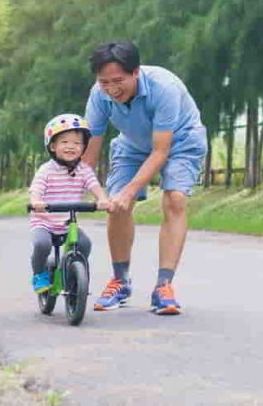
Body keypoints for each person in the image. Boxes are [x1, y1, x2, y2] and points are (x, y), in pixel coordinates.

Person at [81, 41, 207, 315]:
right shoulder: (98, 96)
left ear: (135, 72)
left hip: (180, 142)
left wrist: (130, 191)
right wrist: (85, 191)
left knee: (175, 199)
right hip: (132, 143)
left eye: (118, 81)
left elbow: (161, 151)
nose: (112, 89)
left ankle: (164, 287)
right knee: (117, 205)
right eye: (104, 82)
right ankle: (120, 281)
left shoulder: (164, 88)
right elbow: (88, 156)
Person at [29, 114, 110, 293]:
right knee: (42, 244)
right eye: (64, 142)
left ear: (83, 147)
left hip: (67, 223)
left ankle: (71, 269)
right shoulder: (46, 170)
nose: (71, 147)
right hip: (44, 222)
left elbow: (94, 185)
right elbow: (36, 190)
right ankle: (39, 274)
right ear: (52, 146)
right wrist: (36, 202)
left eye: (77, 143)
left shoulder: (83, 170)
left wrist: (102, 199)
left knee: (84, 244)